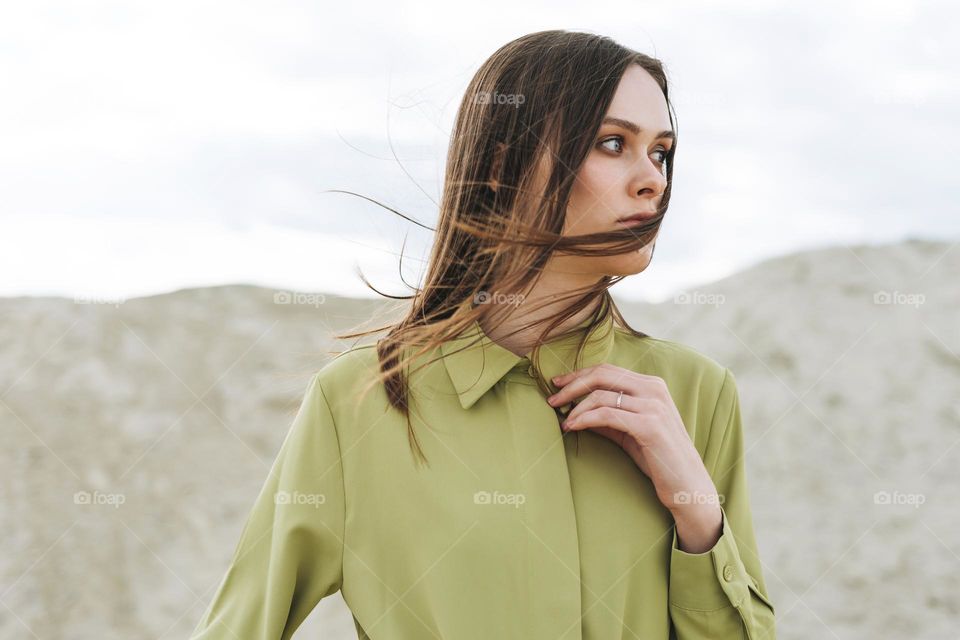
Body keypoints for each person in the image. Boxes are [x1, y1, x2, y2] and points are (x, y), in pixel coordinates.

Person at [190, 29, 777, 640]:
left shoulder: (696, 393)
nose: (652, 180)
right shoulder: (357, 402)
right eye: (611, 143)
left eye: (661, 152)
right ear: (502, 165)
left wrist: (696, 511)